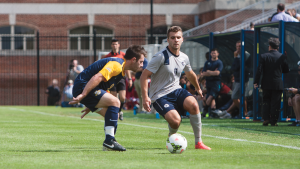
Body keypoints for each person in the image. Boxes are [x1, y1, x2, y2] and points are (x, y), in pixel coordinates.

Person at [140, 26, 211, 150]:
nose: (176, 40)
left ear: (182, 39)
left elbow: (190, 74)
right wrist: (145, 97)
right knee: (175, 121)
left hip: (176, 90)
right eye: (172, 38)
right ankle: (171, 138)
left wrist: (198, 88)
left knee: (194, 105)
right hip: (160, 96)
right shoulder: (160, 57)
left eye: (178, 37)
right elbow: (144, 76)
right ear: (168, 40)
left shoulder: (184, 57)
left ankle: (198, 143)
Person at [69, 45, 145, 151]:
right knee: (115, 102)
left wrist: (91, 105)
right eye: (141, 62)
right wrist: (83, 95)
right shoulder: (117, 65)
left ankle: (109, 143)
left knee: (113, 115)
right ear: (133, 60)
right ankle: (109, 141)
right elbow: (97, 77)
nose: (142, 65)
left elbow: (103, 87)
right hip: (83, 86)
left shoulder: (121, 70)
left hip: (88, 88)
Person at [254, 37, 289, 126]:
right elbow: (286, 70)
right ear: (277, 47)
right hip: (277, 83)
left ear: (269, 46)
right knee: (276, 102)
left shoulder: (264, 56)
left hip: (266, 83)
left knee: (266, 101)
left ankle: (266, 119)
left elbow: (259, 70)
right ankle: (274, 121)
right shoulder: (282, 56)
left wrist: (256, 81)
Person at [217, 40, 249, 118]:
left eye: (240, 46)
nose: (238, 48)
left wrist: (236, 58)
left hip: (243, 79)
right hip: (237, 78)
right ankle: (229, 112)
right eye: (237, 46)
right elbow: (233, 67)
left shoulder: (245, 55)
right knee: (238, 97)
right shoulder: (238, 56)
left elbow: (238, 66)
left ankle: (244, 113)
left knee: (236, 97)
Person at [102, 39, 132, 121]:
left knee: (122, 98)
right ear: (111, 45)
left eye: (116, 44)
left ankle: (119, 111)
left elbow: (127, 67)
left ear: (119, 45)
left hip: (121, 78)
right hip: (112, 79)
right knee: (114, 98)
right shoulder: (108, 56)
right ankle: (115, 113)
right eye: (113, 44)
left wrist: (129, 79)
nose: (114, 46)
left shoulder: (123, 55)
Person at [202, 48, 223, 116]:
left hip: (216, 82)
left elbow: (217, 73)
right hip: (208, 82)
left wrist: (209, 72)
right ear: (210, 54)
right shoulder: (207, 62)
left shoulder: (219, 62)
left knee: (211, 96)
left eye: (215, 53)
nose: (213, 54)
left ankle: (205, 111)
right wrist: (213, 72)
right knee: (210, 97)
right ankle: (213, 112)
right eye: (212, 53)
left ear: (218, 54)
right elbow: (203, 73)